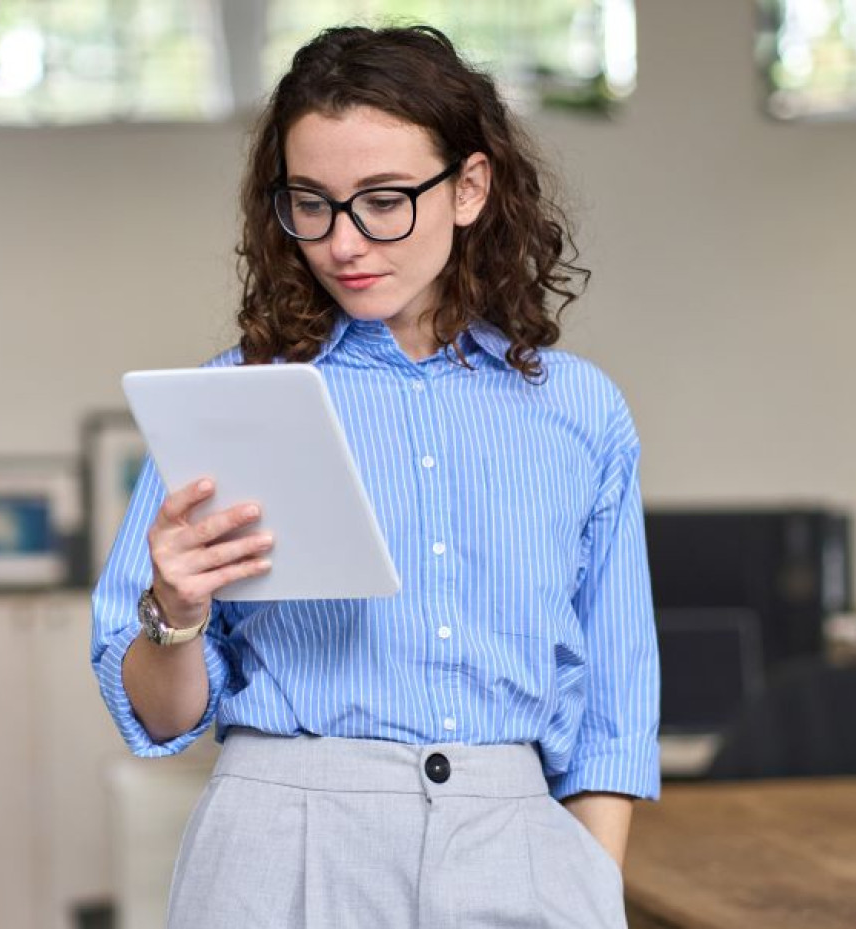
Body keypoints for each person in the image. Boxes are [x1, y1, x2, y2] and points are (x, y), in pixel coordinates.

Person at [91, 23, 658, 929]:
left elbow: (614, 722)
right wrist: (176, 610)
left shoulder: (580, 413)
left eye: (384, 200)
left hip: (517, 845)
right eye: (310, 203)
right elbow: (161, 718)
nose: (342, 241)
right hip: (281, 844)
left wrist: (584, 888)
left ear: (469, 188)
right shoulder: (231, 400)